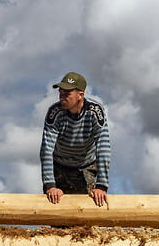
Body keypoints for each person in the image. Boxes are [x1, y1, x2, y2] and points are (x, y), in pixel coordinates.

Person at [40, 72, 110, 207]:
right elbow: (46, 150)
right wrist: (50, 185)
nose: (62, 97)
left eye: (67, 94)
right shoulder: (55, 112)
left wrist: (101, 186)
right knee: (56, 207)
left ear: (80, 95)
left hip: (86, 165)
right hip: (59, 164)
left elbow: (103, 148)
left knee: (89, 206)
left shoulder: (95, 112)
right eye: (60, 93)